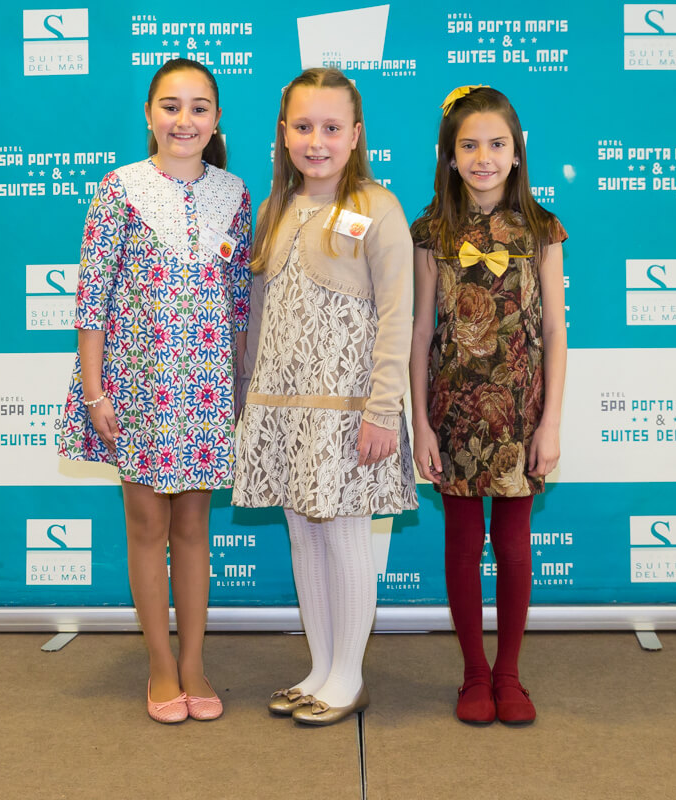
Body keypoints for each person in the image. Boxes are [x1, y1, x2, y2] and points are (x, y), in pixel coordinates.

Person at [58, 58, 251, 724]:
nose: (184, 120)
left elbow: (239, 303)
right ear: (149, 114)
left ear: (216, 120)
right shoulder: (120, 189)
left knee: (194, 527)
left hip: (205, 390)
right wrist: (94, 394)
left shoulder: (235, 195)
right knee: (148, 527)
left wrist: (239, 390)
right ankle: (161, 666)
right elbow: (92, 299)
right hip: (137, 388)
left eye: (199, 108)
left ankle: (194, 663)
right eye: (171, 106)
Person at [233, 67, 418, 726]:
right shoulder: (273, 212)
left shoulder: (378, 207)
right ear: (283, 133)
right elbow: (258, 313)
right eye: (304, 127)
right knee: (303, 538)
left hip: (347, 413)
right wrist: (248, 399)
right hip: (282, 411)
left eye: (332, 128)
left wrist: (383, 408)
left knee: (343, 537)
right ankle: (319, 668)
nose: (317, 141)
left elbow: (397, 314)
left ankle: (348, 675)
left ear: (356, 134)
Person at [408, 85, 568, 725]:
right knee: (462, 541)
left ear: (517, 151)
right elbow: (421, 332)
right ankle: (474, 673)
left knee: (514, 544)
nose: (483, 157)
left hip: (521, 412)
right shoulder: (431, 231)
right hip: (453, 411)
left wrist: (550, 422)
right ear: (449, 156)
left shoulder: (542, 229)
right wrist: (421, 423)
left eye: (496, 144)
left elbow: (554, 330)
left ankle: (509, 675)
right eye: (469, 145)